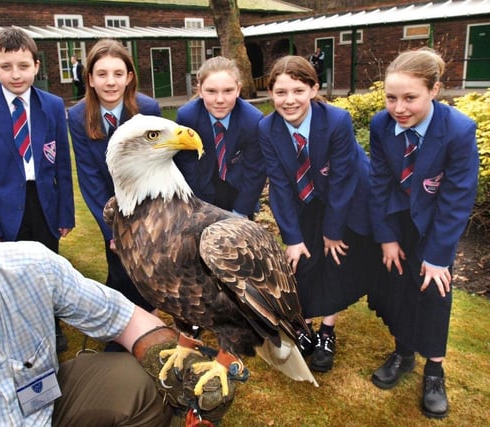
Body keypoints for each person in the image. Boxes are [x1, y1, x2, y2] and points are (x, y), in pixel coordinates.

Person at [0, 169, 234, 425]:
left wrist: (181, 367)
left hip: (41, 408)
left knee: (143, 377)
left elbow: (125, 318)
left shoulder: (30, 264)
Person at [368, 48, 479, 419]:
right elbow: (380, 183)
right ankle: (403, 353)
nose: (398, 108)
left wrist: (436, 257)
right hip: (397, 222)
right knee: (399, 287)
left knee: (434, 291)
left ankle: (434, 370)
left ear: (434, 90)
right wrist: (386, 236)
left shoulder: (459, 130)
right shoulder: (381, 126)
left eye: (410, 97)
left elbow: (457, 198)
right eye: (391, 98)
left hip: (436, 226)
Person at [258, 55, 375, 373]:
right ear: (271, 94)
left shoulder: (336, 120)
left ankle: (327, 331)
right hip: (304, 195)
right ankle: (304, 325)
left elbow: (341, 182)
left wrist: (333, 232)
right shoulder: (267, 128)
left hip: (346, 196)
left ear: (314, 88)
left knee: (334, 257)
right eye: (280, 92)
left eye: (298, 90)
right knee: (303, 261)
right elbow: (279, 185)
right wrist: (292, 238)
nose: (289, 100)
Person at [0, 28, 75, 352]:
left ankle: (50, 326)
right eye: (7, 66)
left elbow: (62, 166)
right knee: (6, 274)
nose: (16, 74)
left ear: (36, 66)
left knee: (46, 268)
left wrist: (64, 212)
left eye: (23, 66)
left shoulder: (52, 105)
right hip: (2, 206)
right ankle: (10, 332)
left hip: (44, 204)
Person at [68, 39, 160, 334]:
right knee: (120, 265)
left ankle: (148, 324)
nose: (111, 82)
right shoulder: (77, 116)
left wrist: (145, 219)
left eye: (118, 74)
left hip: (144, 201)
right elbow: (90, 178)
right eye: (102, 74)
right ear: (90, 79)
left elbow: (153, 167)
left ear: (129, 77)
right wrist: (115, 230)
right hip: (109, 206)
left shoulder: (147, 109)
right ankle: (123, 327)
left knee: (148, 267)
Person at [174, 56, 266, 219]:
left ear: (238, 89)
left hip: (239, 192)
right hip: (201, 190)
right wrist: (197, 209)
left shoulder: (252, 120)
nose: (220, 100)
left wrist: (240, 212)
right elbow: (186, 167)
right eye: (211, 91)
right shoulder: (187, 117)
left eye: (228, 91)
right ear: (200, 90)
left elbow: (255, 171)